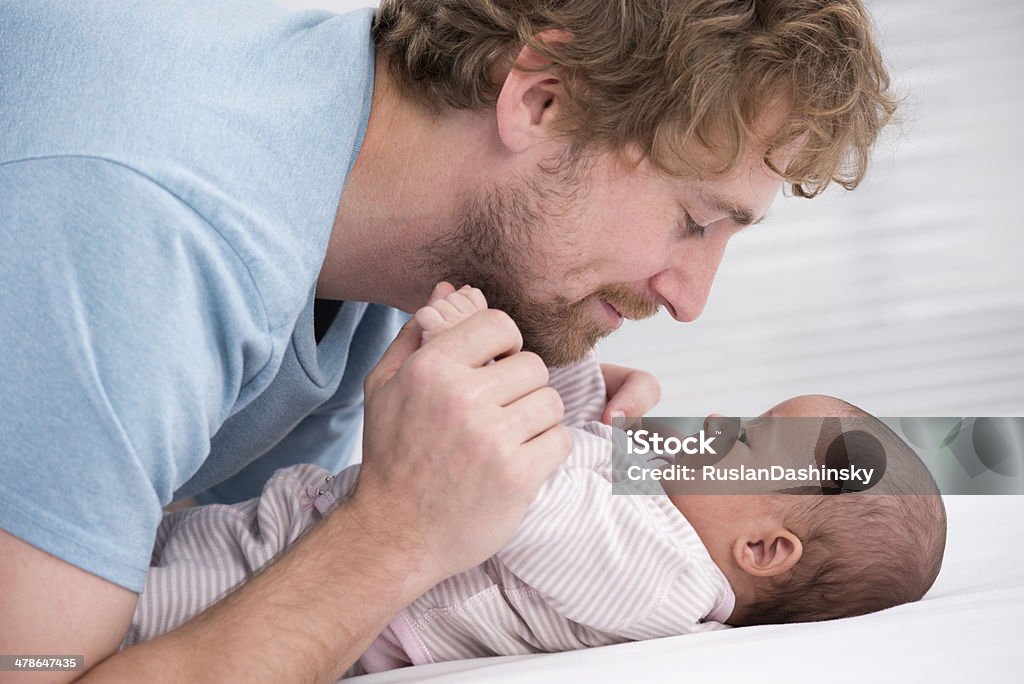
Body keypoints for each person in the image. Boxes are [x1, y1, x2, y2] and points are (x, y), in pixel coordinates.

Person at [0, 0, 897, 680]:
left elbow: (212, 532)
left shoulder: (384, 233)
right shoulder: (142, 227)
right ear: (541, 101)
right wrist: (399, 529)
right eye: (694, 220)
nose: (692, 298)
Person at [119, 287, 946, 678]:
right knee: (126, 552)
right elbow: (562, 440)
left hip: (268, 585)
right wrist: (577, 370)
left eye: (746, 440)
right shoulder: (656, 507)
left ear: (764, 548)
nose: (714, 430)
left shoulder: (667, 578)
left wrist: (470, 357)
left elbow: (516, 489)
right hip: (279, 534)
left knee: (121, 610)